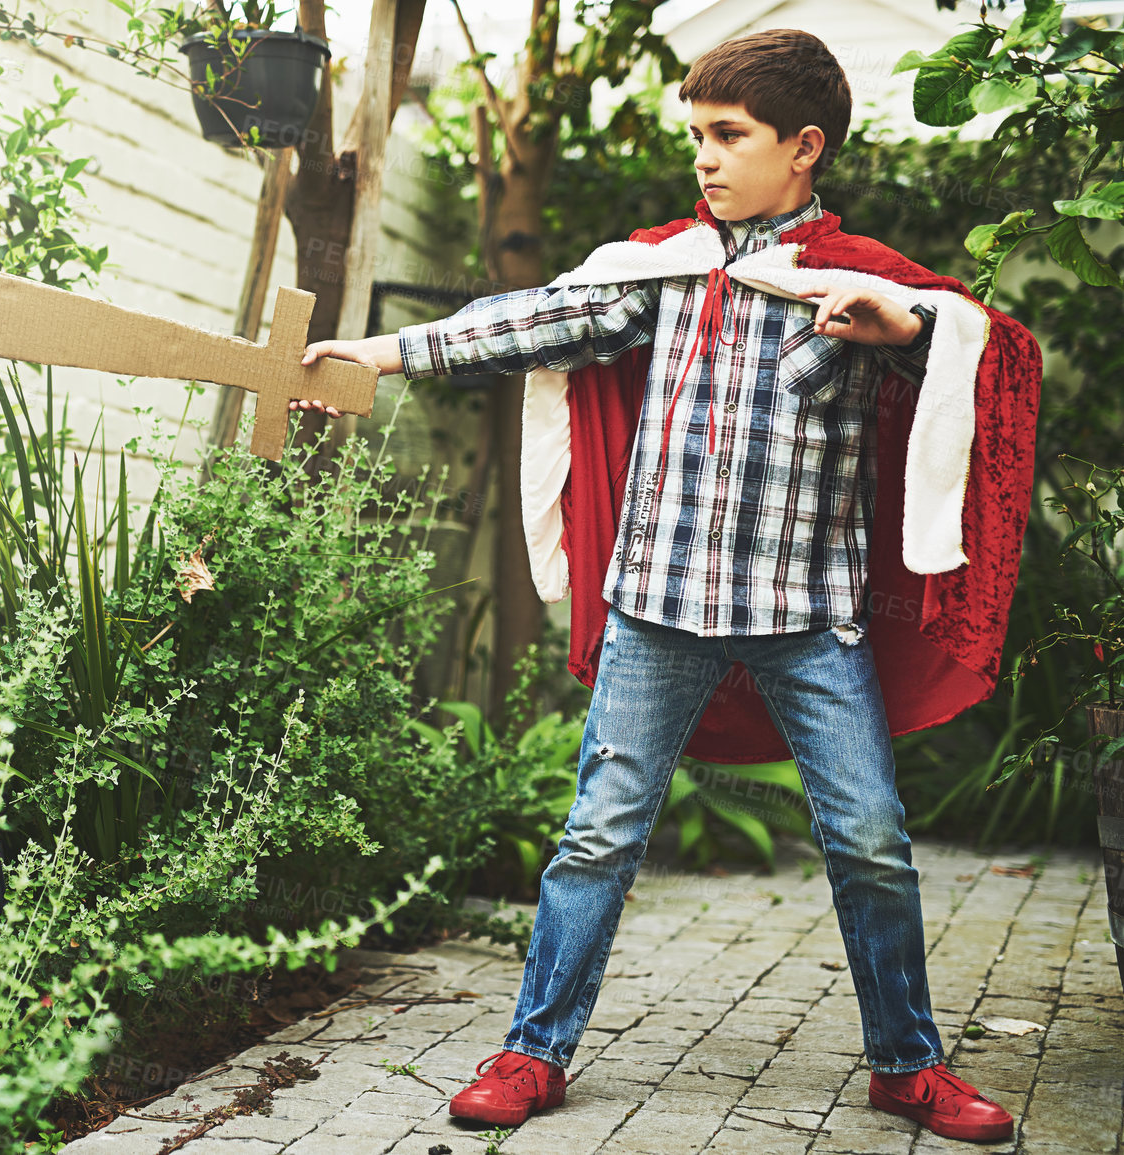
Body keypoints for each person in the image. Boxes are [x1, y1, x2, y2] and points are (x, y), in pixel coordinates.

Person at [291, 27, 1042, 1146]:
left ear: (804, 149)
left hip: (809, 619)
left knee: (873, 839)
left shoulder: (857, 285)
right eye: (696, 135)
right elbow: (529, 319)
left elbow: (972, 349)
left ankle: (906, 1068)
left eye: (728, 136)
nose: (704, 157)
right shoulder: (664, 275)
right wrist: (379, 355)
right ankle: (532, 1053)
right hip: (657, 607)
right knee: (598, 836)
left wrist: (906, 326)